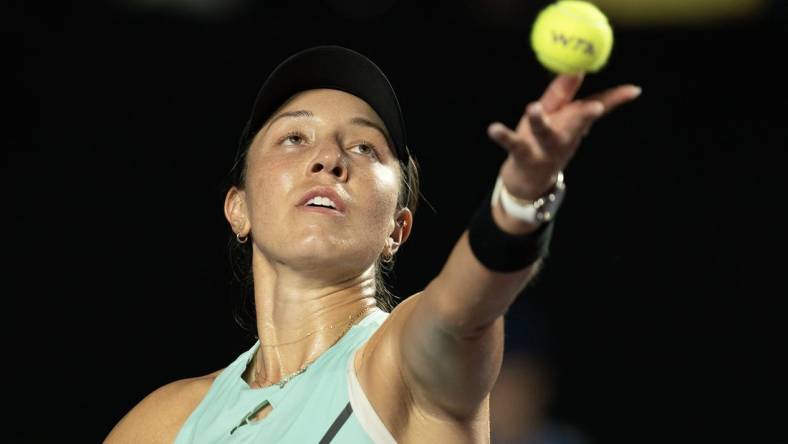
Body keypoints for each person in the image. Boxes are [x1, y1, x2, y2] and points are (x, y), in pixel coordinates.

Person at [105, 45, 640, 443]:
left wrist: (519, 199)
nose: (328, 158)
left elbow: (465, 309)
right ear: (238, 207)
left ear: (397, 229)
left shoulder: (402, 363)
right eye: (294, 137)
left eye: (364, 147)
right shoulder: (163, 424)